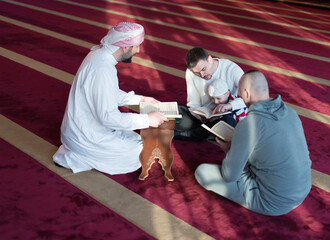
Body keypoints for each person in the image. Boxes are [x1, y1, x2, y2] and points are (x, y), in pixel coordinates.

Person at [53, 22, 168, 175]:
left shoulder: (99, 55)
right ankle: (80, 156)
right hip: (84, 136)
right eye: (136, 46)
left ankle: (82, 152)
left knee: (137, 138)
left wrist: (141, 99)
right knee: (140, 152)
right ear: (125, 47)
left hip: (82, 129)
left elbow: (107, 93)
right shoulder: (103, 69)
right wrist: (147, 120)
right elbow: (108, 118)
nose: (138, 50)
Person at [195, 70, 312, 216]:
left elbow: (229, 176)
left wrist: (228, 149)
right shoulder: (291, 112)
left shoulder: (249, 124)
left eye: (240, 95)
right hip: (303, 191)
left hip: (273, 201)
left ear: (246, 93)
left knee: (202, 172)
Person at [174, 47, 244, 141]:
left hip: (223, 118)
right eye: (197, 73)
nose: (202, 75)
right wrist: (201, 117)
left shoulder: (231, 68)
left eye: (204, 69)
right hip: (203, 118)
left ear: (210, 59)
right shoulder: (190, 73)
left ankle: (182, 135)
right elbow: (193, 104)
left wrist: (230, 105)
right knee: (175, 112)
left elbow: (251, 97)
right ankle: (205, 131)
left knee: (228, 123)